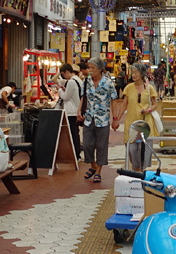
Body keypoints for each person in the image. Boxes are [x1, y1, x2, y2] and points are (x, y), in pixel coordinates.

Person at [80, 56, 119, 184]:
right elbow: (83, 97)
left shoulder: (108, 83)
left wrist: (115, 118)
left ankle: (98, 172)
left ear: (100, 69)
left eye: (93, 68)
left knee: (101, 146)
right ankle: (93, 165)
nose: (90, 70)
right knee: (87, 144)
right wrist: (79, 111)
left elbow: (114, 101)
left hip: (103, 119)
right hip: (89, 118)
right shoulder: (86, 82)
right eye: (89, 68)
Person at [123, 62, 160, 170]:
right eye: (132, 73)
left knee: (146, 152)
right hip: (132, 123)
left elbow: (155, 105)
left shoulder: (149, 88)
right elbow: (124, 104)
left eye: (136, 73)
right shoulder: (128, 88)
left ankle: (145, 174)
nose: (133, 75)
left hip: (146, 124)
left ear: (142, 74)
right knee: (132, 150)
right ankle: (136, 170)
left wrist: (148, 110)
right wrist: (116, 119)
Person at [58, 64, 83, 160]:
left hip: (72, 111)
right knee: (75, 133)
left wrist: (60, 90)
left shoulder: (71, 82)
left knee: (73, 134)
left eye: (63, 74)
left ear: (67, 72)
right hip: (76, 109)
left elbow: (66, 97)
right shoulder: (78, 80)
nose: (63, 77)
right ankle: (77, 154)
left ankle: (76, 155)